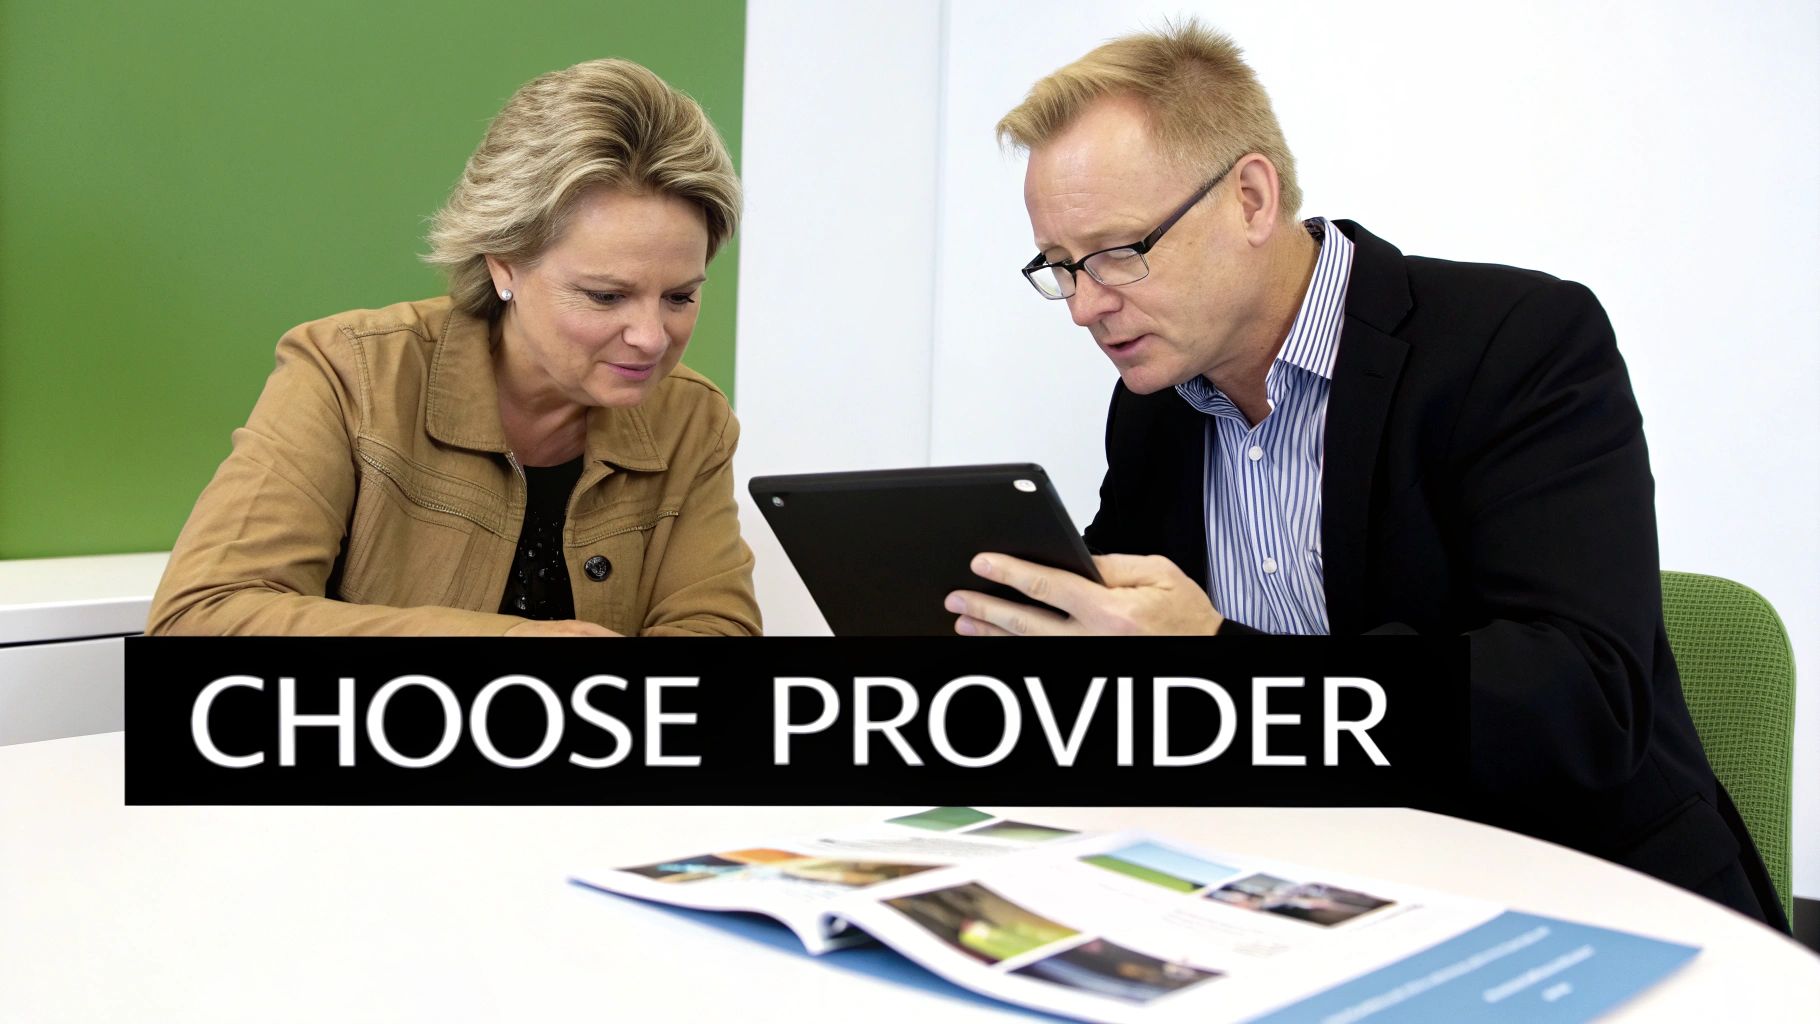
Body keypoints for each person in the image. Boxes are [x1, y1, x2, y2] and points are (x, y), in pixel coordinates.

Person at [943, 22, 1785, 928]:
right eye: (1060, 267)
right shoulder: (1154, 406)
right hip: (1302, 894)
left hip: (1577, 897)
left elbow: (1577, 702)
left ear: (1253, 198)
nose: (1084, 307)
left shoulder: (1519, 341)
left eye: (1116, 253)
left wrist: (1219, 666)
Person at [148, 58, 759, 637]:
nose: (652, 337)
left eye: (680, 297)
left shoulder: (691, 422)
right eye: (604, 297)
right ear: (504, 267)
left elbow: (714, 627)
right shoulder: (348, 373)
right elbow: (201, 618)